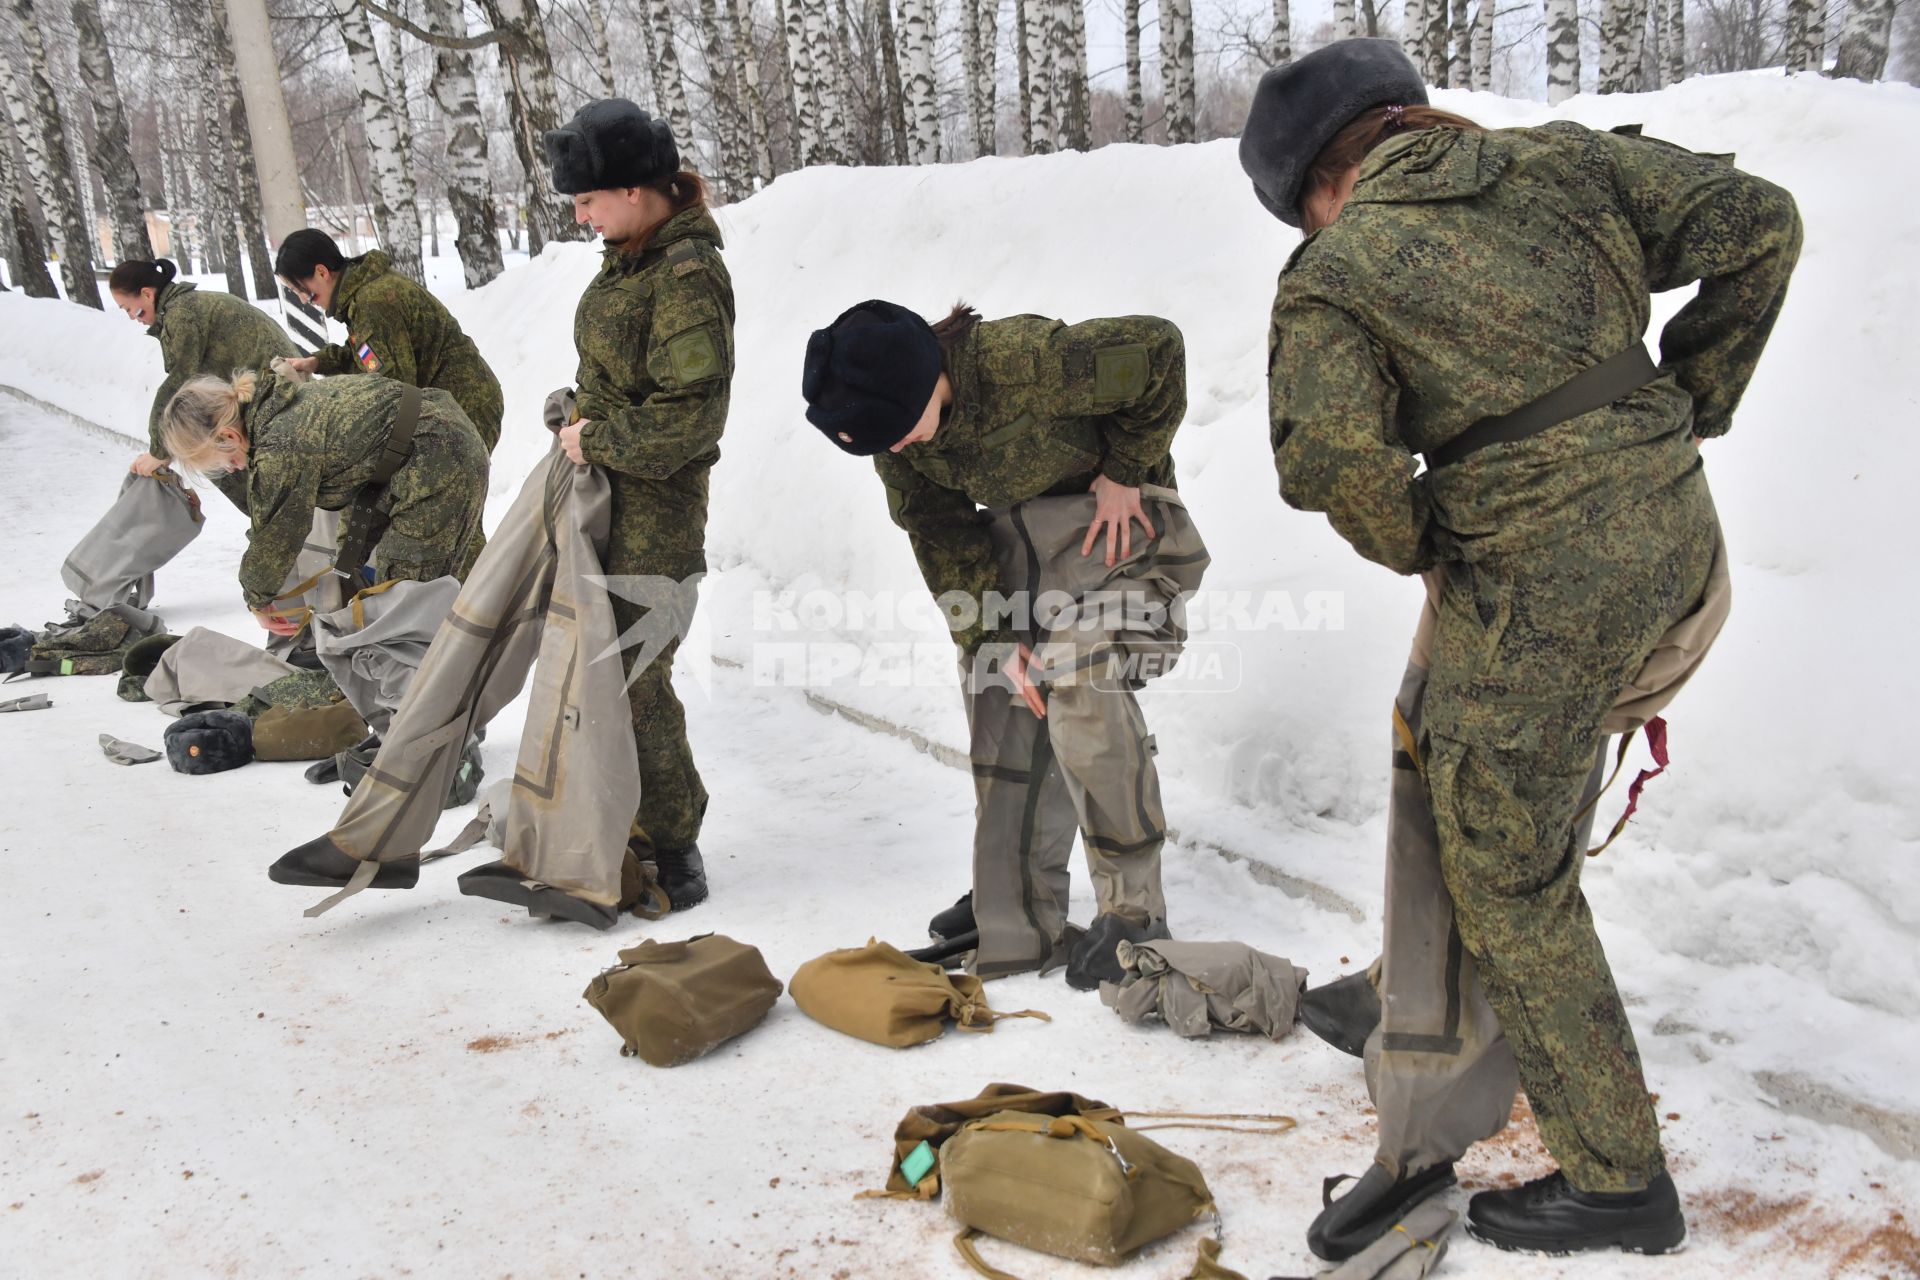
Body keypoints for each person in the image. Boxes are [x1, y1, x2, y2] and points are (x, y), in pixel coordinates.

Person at [1239, 38, 1800, 1260]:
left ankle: (1617, 1179)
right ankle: (1407, 992)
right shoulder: (1566, 165)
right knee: (1455, 749)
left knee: (1511, 869)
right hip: (1680, 546)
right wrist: (1687, 401)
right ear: (1410, 114)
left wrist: (1431, 532)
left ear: (1315, 189)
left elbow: (1332, 463)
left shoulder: (1339, 269)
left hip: (1546, 588)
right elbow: (1762, 221)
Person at [800, 299, 1209, 989]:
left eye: (899, 432)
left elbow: (1159, 350)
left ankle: (1135, 914)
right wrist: (991, 633)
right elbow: (942, 533)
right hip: (1039, 563)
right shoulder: (900, 441)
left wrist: (1126, 468)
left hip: (1132, 548)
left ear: (928, 379)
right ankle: (1016, 907)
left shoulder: (1028, 364)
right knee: (1001, 685)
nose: (898, 450)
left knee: (1080, 673)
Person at [541, 97, 732, 911]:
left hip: (657, 512)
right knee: (602, 663)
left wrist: (600, 438)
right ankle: (620, 817)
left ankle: (677, 841)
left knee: (639, 672)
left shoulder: (686, 276)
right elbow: (624, 377)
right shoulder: (631, 259)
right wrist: (575, 409)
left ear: (634, 190)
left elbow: (692, 417)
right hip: (607, 494)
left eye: (587, 200)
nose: (581, 217)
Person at [158, 369, 489, 633]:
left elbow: (274, 537)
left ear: (228, 436)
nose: (233, 469)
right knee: (351, 564)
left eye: (223, 462)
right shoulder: (274, 408)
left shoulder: (280, 445)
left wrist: (257, 601)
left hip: (439, 456)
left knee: (406, 603)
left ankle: (427, 703)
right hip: (410, 455)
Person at [274, 230, 505, 451]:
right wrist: (316, 362)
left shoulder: (373, 303)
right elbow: (364, 353)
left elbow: (394, 392)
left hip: (466, 408)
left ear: (322, 272)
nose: (304, 300)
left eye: (301, 290)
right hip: (450, 407)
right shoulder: (362, 294)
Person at [110, 257, 297, 511]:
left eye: (129, 309)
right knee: (214, 451)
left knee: (209, 451)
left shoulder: (182, 313)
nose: (132, 317)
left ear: (146, 294)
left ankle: (273, 525)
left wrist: (159, 451)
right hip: (267, 386)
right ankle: (274, 525)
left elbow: (179, 383)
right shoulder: (181, 308)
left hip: (275, 389)